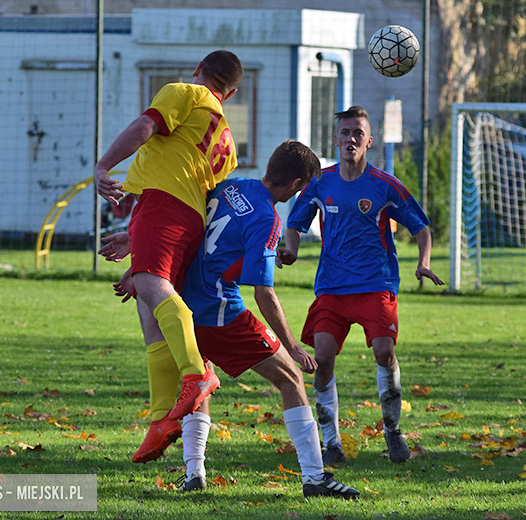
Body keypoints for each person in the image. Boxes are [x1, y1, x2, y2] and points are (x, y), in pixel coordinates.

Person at [102, 141, 360, 499]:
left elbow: (189, 228)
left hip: (178, 304)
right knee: (291, 378)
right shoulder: (269, 219)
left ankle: (194, 473)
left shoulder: (229, 186)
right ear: (296, 184)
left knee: (199, 379)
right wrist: (293, 347)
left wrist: (138, 249)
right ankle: (315, 478)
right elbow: (264, 294)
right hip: (220, 314)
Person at [93, 50, 243, 463]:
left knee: (149, 287)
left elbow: (145, 126)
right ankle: (161, 420)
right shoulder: (227, 143)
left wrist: (103, 166)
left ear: (198, 70)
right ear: (230, 93)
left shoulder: (185, 92)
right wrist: (136, 235)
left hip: (163, 202)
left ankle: (196, 373)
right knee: (148, 307)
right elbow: (206, 198)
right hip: (186, 216)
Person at [278, 106, 444, 465]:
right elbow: (295, 223)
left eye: (358, 133)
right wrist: (290, 249)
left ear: (369, 141)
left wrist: (424, 262)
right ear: (335, 139)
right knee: (322, 360)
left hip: (376, 283)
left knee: (384, 351)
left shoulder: (384, 185)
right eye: (345, 132)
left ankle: (392, 431)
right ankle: (332, 441)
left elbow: (421, 228)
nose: (351, 138)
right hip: (332, 288)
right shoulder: (319, 182)